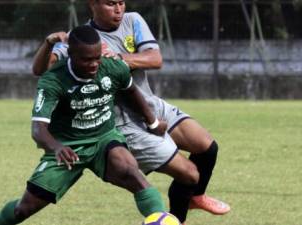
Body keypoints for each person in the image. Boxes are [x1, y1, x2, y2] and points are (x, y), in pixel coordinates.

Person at [32, 0, 230, 224]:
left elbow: (155, 59)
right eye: (110, 4)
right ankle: (175, 219)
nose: (118, 9)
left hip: (150, 104)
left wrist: (117, 58)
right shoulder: (82, 39)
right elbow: (42, 69)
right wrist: (49, 43)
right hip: (123, 120)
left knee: (207, 146)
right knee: (189, 174)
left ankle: (195, 197)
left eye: (121, 2)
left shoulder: (133, 20)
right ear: (92, 4)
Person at [0, 25, 170, 225]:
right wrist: (57, 148)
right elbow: (38, 129)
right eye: (86, 59)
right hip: (67, 147)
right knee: (23, 209)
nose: (94, 64)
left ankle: (159, 220)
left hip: (104, 139)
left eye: (97, 57)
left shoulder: (112, 67)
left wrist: (152, 122)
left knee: (133, 173)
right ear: (70, 54)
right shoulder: (54, 80)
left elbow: (131, 91)